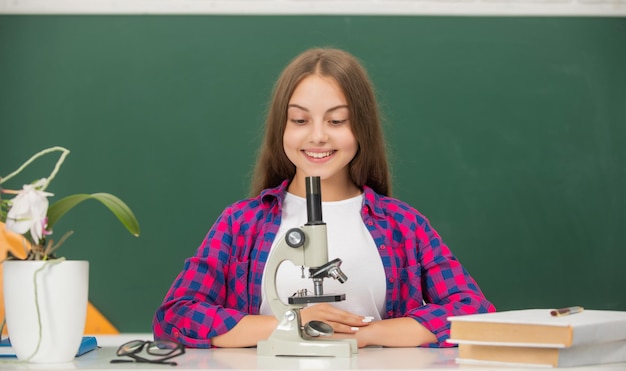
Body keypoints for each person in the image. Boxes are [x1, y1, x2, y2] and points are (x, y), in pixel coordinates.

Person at [153, 47, 495, 349]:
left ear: (361, 128)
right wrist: (291, 325)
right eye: (300, 120)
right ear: (281, 128)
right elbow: (176, 317)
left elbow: (473, 313)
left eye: (337, 120)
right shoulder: (241, 223)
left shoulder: (403, 224)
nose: (317, 136)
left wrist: (364, 334)